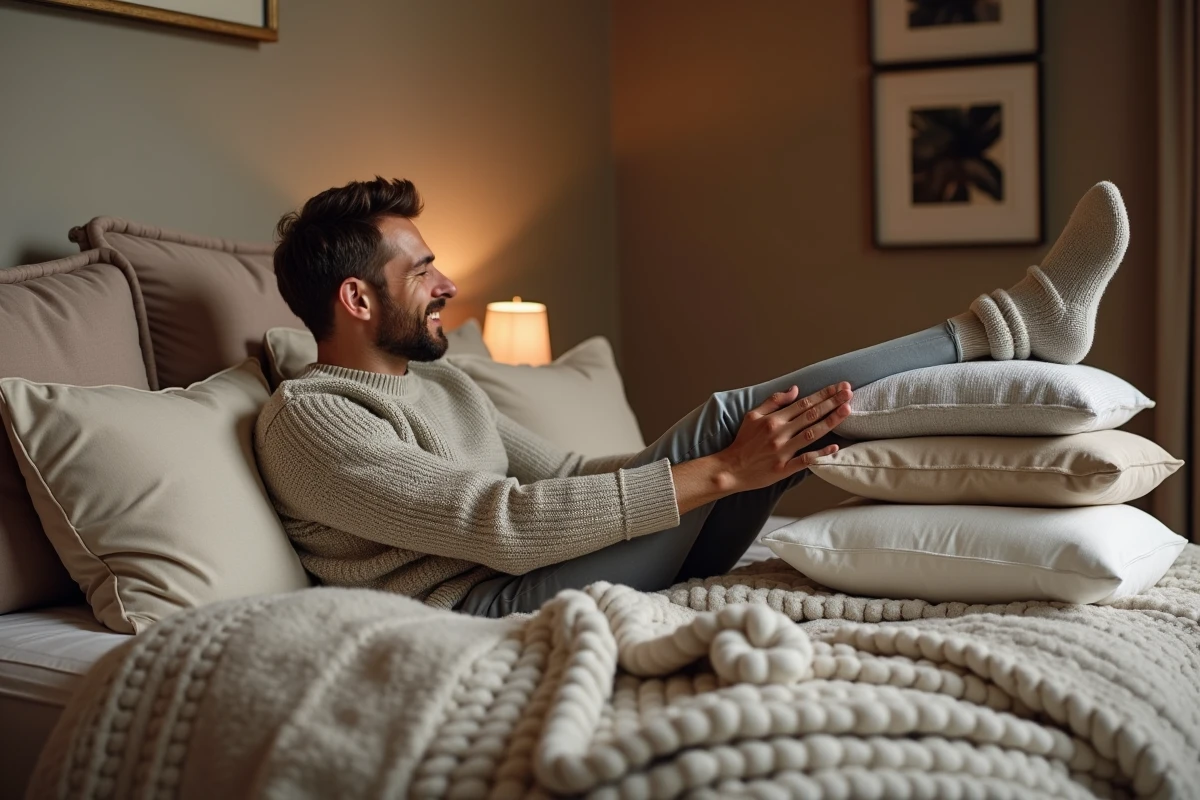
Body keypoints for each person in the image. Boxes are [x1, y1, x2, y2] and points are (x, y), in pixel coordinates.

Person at [254, 178, 1129, 617]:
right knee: (729, 440)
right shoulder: (312, 418)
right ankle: (1011, 326)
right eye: (422, 270)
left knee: (736, 422)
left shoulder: (438, 383)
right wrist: (716, 475)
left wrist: (740, 463)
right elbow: (505, 527)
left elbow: (561, 471)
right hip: (491, 607)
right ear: (358, 300)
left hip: (548, 568)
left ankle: (1015, 331)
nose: (446, 282)